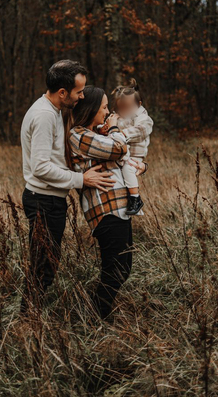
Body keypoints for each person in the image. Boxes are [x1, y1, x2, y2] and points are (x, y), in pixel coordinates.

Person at [20, 60, 115, 314]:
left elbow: (55, 159)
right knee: (44, 268)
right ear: (62, 92)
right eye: (78, 91)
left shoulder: (53, 112)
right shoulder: (43, 117)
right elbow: (40, 168)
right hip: (43, 201)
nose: (82, 96)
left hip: (50, 200)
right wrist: (81, 180)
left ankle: (29, 316)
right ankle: (26, 322)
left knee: (46, 265)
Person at [67, 86, 149, 320]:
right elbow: (118, 148)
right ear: (91, 109)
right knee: (115, 269)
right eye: (103, 107)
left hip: (119, 207)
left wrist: (142, 166)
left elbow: (124, 158)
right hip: (105, 209)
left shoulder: (96, 133)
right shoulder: (78, 135)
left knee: (123, 268)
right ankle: (94, 316)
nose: (107, 111)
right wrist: (114, 129)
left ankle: (97, 313)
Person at [109, 78, 154, 215]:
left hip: (135, 155)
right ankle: (126, 199)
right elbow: (110, 128)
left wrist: (121, 134)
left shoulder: (142, 117)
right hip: (123, 153)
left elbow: (141, 131)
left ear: (138, 104)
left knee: (128, 169)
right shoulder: (119, 117)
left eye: (128, 107)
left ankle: (136, 199)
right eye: (122, 107)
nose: (125, 110)